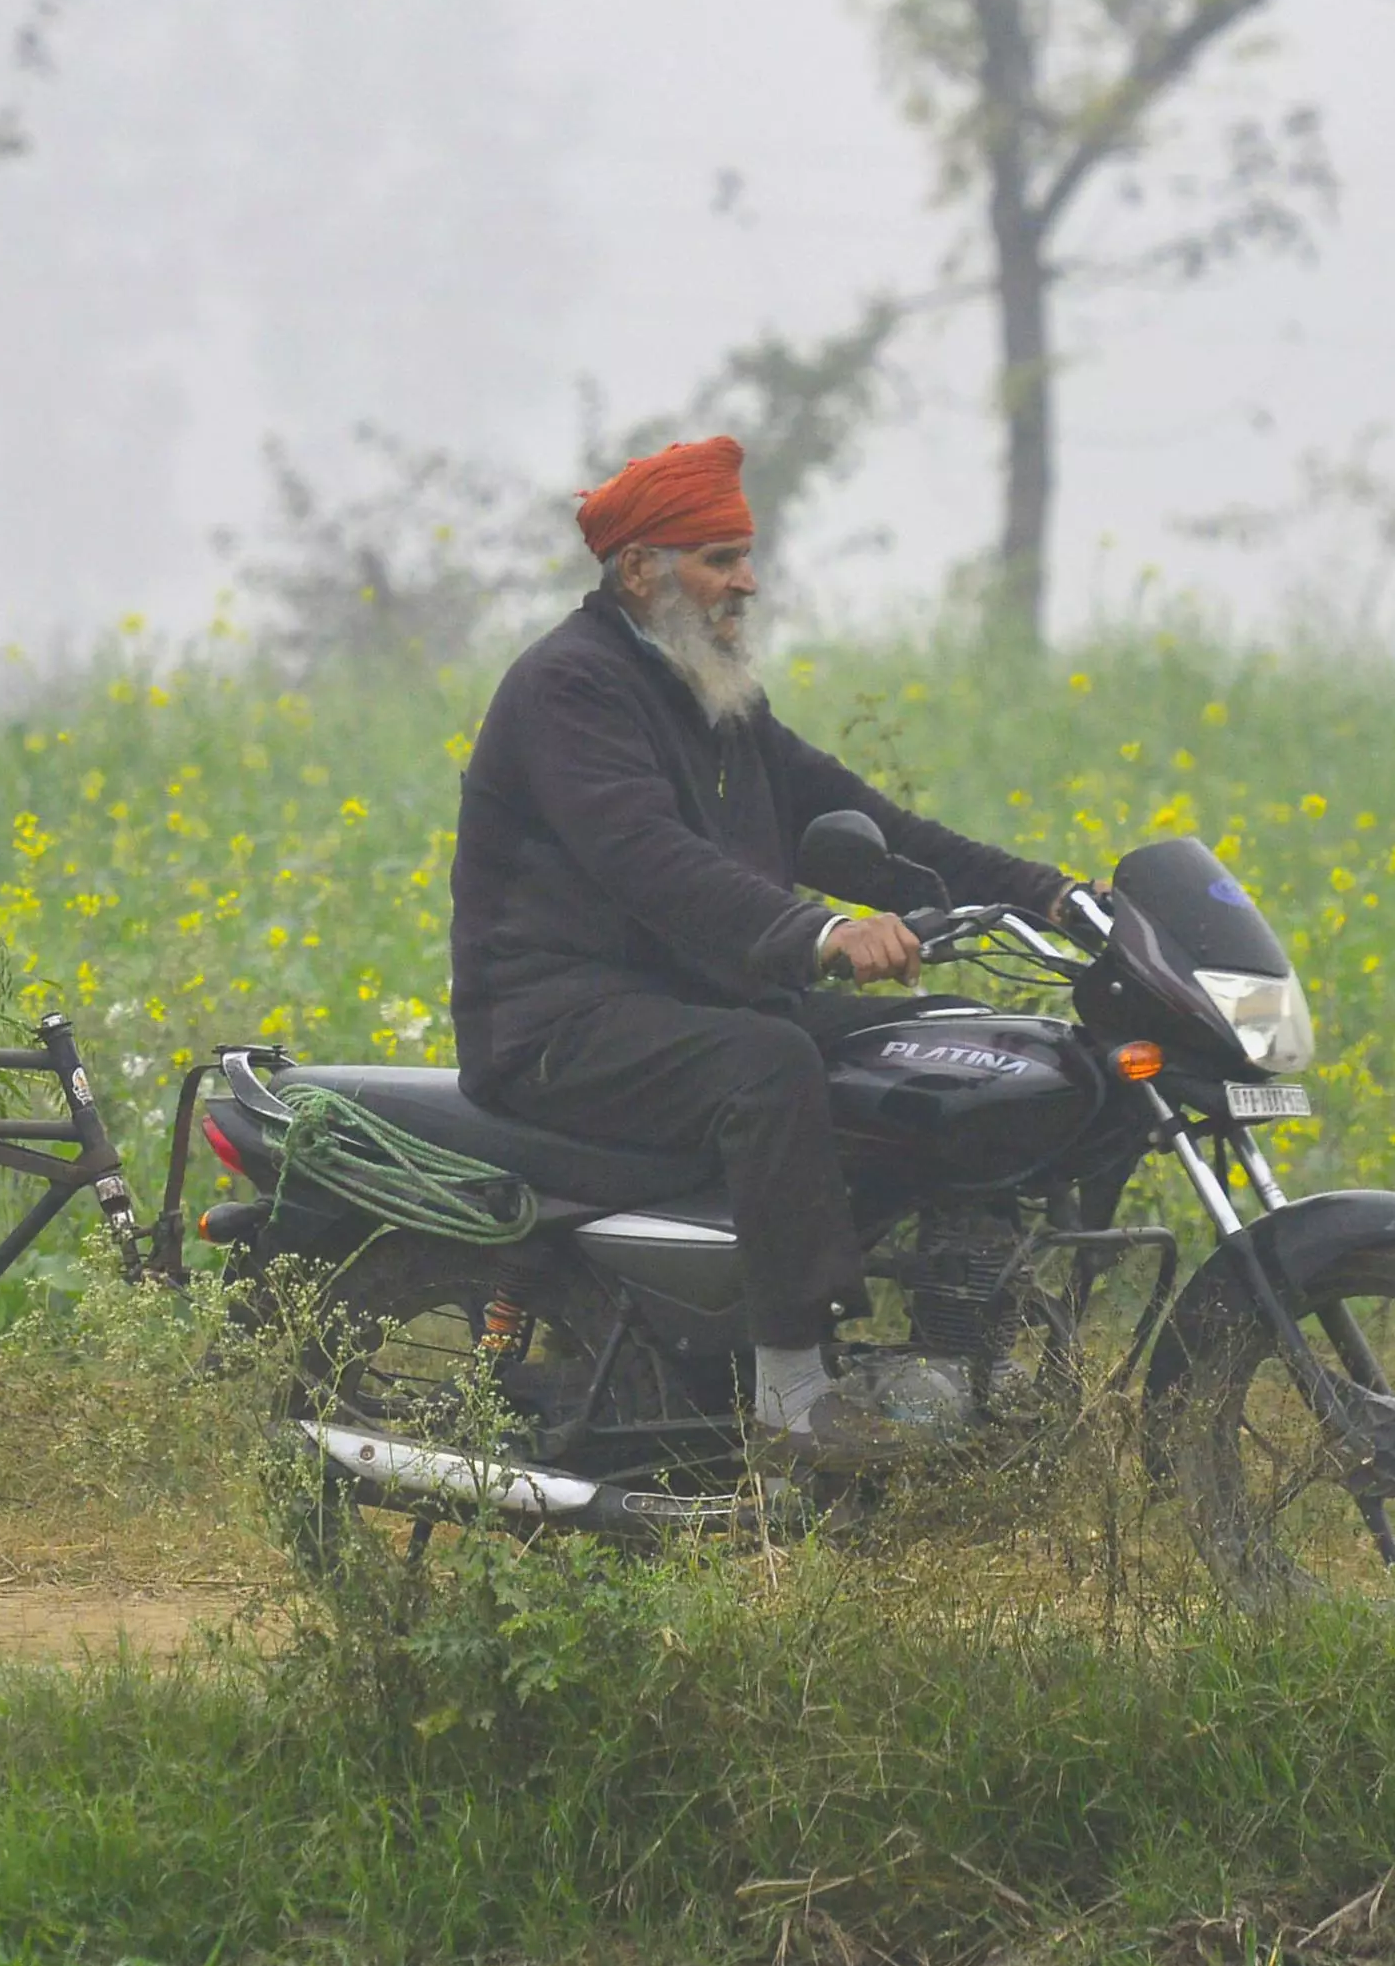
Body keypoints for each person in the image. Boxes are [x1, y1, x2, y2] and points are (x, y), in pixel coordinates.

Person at [448, 433, 1078, 1463]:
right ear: (641, 568)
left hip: (691, 999)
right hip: (558, 1019)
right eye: (718, 556)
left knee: (954, 1044)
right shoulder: (571, 687)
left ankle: (970, 1344)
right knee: (768, 1063)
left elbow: (872, 827)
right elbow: (646, 858)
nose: (746, 579)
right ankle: (792, 1392)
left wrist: (1052, 894)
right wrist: (817, 933)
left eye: (745, 554)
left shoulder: (717, 695)